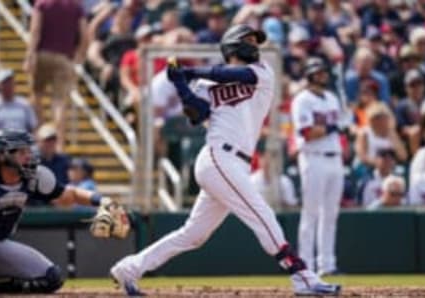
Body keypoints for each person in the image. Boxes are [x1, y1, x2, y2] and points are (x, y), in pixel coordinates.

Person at [110, 24, 340, 296]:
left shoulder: (261, 72)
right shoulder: (207, 83)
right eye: (250, 41)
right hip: (219, 157)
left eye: (257, 42)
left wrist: (190, 71)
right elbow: (197, 114)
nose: (255, 46)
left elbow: (233, 74)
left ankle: (129, 268)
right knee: (261, 213)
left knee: (193, 235)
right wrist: (181, 84)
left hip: (235, 163)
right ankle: (301, 275)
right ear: (233, 45)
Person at [0, 130, 118, 293]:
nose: (29, 156)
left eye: (29, 150)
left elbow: (70, 194)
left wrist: (103, 201)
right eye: (22, 152)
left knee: (51, 278)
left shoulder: (34, 178)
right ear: (3, 156)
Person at [291, 57, 344, 276]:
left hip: (335, 157)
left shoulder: (332, 97)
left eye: (324, 71)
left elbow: (337, 126)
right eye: (319, 72)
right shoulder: (302, 100)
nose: (324, 75)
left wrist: (336, 127)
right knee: (311, 213)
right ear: (310, 74)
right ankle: (306, 265)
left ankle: (327, 265)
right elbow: (308, 133)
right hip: (313, 157)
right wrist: (332, 127)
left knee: (331, 214)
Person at [25, 0, 88, 151]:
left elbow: (35, 30)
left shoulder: (42, 4)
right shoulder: (75, 6)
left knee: (36, 94)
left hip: (42, 54)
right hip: (64, 59)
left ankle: (41, 135)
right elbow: (85, 35)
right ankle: (59, 144)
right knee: (59, 102)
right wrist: (79, 56)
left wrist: (29, 56)